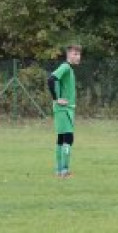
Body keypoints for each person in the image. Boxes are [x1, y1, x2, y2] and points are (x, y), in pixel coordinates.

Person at [47, 44, 81, 178]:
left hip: (65, 109)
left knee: (61, 138)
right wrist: (56, 99)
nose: (77, 57)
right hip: (64, 109)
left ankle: (59, 170)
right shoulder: (65, 67)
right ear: (69, 55)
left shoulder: (69, 69)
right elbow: (51, 79)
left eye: (79, 54)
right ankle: (64, 171)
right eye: (75, 54)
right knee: (68, 138)